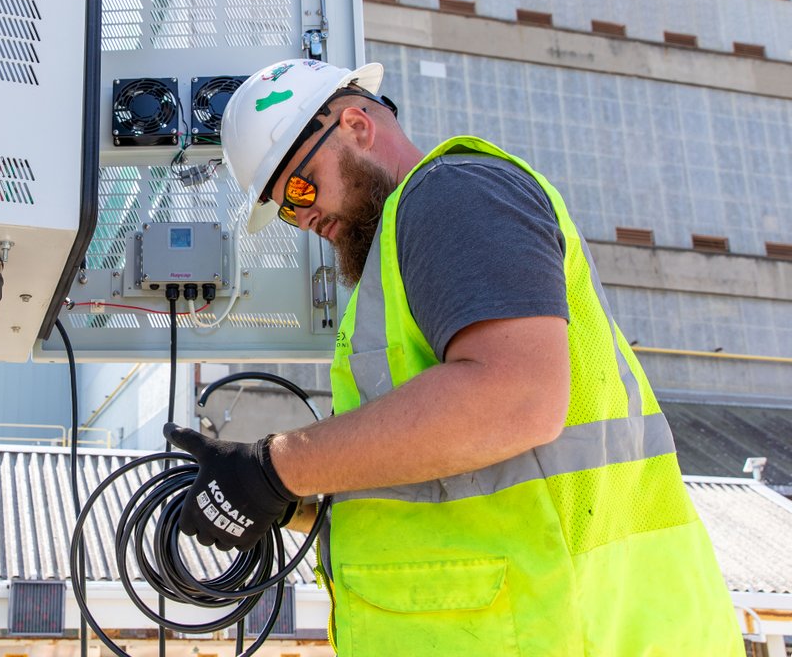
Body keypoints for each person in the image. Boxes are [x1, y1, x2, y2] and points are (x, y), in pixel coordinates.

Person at [163, 59, 742, 655]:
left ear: (356, 127)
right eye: (287, 209)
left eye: (302, 188)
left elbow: (514, 399)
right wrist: (283, 501)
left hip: (566, 632)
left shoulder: (451, 195)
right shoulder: (401, 257)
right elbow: (440, 485)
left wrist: (275, 467)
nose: (303, 217)